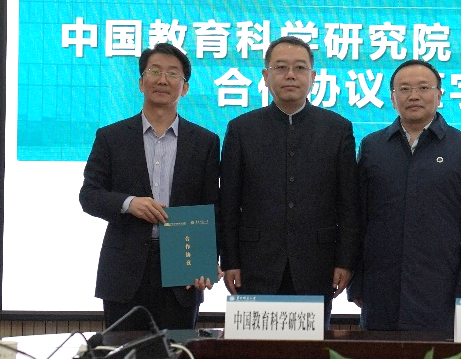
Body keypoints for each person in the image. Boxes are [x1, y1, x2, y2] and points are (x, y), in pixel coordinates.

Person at [79, 42, 220, 331]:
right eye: (154, 71)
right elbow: (89, 195)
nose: (162, 79)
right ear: (141, 82)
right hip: (124, 270)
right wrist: (129, 203)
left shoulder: (205, 142)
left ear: (184, 88)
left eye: (173, 73)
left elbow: (213, 207)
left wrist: (207, 261)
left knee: (178, 354)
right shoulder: (111, 137)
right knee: (124, 355)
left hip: (183, 270)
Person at [218, 36, 360, 321]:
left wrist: (345, 261)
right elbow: (228, 203)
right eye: (281, 67)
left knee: (310, 347)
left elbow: (349, 205)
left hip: (317, 265)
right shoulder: (241, 129)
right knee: (254, 341)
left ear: (313, 77)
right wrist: (230, 260)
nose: (291, 75)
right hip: (254, 265)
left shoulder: (337, 129)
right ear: (265, 76)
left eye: (300, 68)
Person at [349, 59, 461, 332]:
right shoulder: (372, 147)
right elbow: (358, 219)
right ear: (393, 98)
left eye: (423, 88)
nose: (413, 96)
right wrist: (356, 284)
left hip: (442, 293)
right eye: (404, 89)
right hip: (381, 292)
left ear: (439, 95)